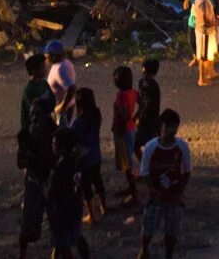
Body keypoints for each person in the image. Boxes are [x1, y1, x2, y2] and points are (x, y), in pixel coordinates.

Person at [139, 108, 192, 259]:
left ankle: (169, 254)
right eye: (168, 127)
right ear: (160, 126)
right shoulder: (151, 147)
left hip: (174, 196)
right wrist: (152, 190)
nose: (171, 131)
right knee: (148, 226)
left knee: (172, 229)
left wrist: (180, 192)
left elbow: (187, 172)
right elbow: (144, 173)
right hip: (155, 196)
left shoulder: (182, 147)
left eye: (174, 127)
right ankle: (144, 249)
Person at [17, 93, 56, 259]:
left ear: (47, 115)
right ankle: (22, 254)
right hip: (33, 181)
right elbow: (21, 163)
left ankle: (57, 252)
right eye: (31, 114)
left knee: (57, 221)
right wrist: (23, 145)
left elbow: (51, 159)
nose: (33, 118)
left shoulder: (54, 133)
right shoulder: (27, 134)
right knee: (27, 223)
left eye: (37, 114)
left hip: (51, 181)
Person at [47, 128, 90, 259]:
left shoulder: (60, 168)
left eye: (54, 143)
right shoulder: (78, 162)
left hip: (62, 210)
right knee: (77, 235)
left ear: (61, 147)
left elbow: (52, 193)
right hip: (76, 205)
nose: (52, 145)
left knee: (62, 243)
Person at [69, 87, 106, 224]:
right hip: (96, 156)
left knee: (86, 188)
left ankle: (91, 215)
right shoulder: (97, 116)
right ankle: (104, 206)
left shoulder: (79, 122)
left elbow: (72, 135)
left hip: (84, 159)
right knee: (98, 181)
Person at [111, 66, 141, 204]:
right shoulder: (133, 92)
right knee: (128, 160)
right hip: (130, 129)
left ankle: (133, 193)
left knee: (126, 163)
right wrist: (135, 118)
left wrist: (126, 118)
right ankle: (132, 188)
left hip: (122, 131)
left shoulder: (121, 95)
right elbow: (141, 104)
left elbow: (123, 114)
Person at [135, 59, 162, 158]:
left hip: (151, 120)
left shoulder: (154, 86)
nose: (145, 74)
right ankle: (146, 165)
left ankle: (148, 166)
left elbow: (149, 105)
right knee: (139, 145)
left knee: (148, 146)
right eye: (144, 72)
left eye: (147, 72)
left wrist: (138, 116)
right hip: (145, 119)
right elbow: (141, 101)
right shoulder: (141, 83)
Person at [45, 41, 78, 121]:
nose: (45, 58)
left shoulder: (60, 69)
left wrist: (61, 107)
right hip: (67, 107)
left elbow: (72, 87)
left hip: (62, 112)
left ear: (54, 56)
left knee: (58, 132)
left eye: (47, 55)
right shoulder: (66, 63)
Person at [20, 53, 51, 134]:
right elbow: (34, 112)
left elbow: (52, 100)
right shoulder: (29, 90)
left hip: (44, 127)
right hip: (33, 131)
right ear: (34, 70)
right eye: (43, 67)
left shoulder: (44, 83)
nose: (46, 69)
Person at [181, 0, 204, 68]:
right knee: (191, 41)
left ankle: (201, 60)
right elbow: (185, 7)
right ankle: (196, 58)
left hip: (201, 23)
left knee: (200, 42)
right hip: (192, 22)